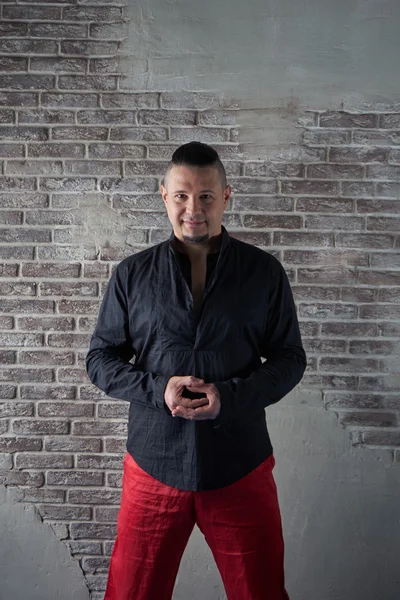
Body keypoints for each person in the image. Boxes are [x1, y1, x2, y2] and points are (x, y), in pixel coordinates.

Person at [86, 141, 306, 600]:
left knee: (261, 592)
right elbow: (100, 359)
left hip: (239, 464)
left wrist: (231, 396)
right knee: (131, 594)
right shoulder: (131, 274)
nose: (193, 209)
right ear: (163, 195)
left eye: (206, 196)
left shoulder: (265, 273)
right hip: (153, 463)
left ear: (226, 196)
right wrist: (157, 388)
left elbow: (290, 359)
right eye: (182, 195)